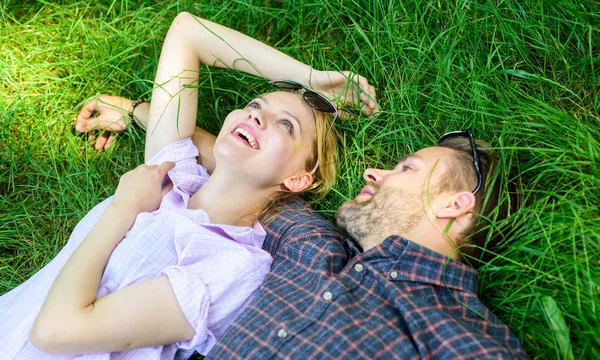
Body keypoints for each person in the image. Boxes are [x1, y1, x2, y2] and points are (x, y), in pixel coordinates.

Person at [0, 12, 377, 359]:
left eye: (285, 125)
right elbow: (187, 32)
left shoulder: (235, 265)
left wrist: (122, 210)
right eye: (255, 105)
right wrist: (309, 78)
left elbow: (57, 332)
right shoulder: (174, 176)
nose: (257, 116)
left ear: (296, 179)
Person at [79, 99, 528, 357]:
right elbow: (241, 159)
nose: (374, 172)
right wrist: (137, 109)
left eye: (405, 169)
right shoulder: (311, 244)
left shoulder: (461, 333)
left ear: (455, 204)